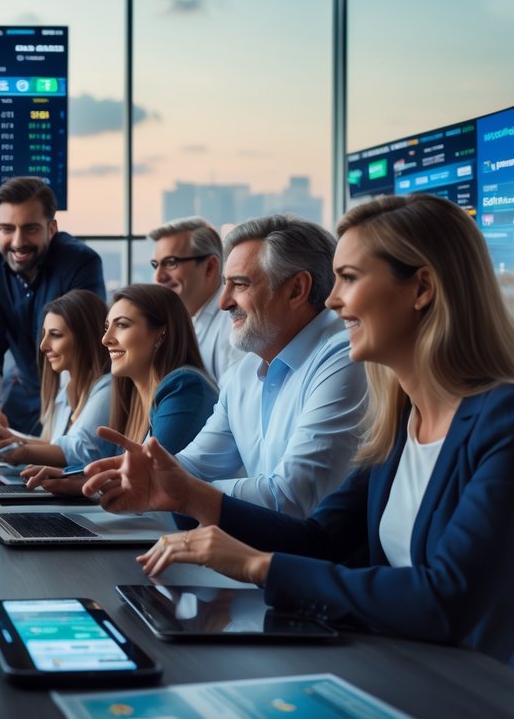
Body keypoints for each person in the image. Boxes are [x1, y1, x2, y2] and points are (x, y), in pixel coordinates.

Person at [84, 194, 514, 665]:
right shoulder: (401, 423)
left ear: (422, 289)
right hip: (400, 665)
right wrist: (189, 498)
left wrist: (258, 565)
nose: (332, 299)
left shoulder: (501, 422)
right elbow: (321, 540)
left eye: (348, 278)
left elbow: (446, 597)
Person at [126, 215, 368, 518]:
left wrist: (177, 490)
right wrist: (128, 474)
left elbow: (292, 498)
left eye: (239, 284)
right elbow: (193, 465)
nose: (223, 302)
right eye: (226, 285)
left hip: (315, 560)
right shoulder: (245, 371)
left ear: (296, 289)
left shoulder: (345, 357)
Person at [20, 284, 217, 494]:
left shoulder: (184, 386)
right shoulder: (134, 400)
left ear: (161, 333)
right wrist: (70, 475)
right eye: (106, 328)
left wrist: (78, 479)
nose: (106, 339)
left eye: (122, 325)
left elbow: (150, 472)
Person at [0, 175, 106, 441]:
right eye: (7, 229)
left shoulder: (80, 262)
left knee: (64, 462)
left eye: (30, 228)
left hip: (74, 392)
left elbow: (87, 350)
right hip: (24, 390)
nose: (18, 242)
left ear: (51, 228)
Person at [0, 290, 111, 468]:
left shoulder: (107, 389)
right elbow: (55, 446)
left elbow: (81, 451)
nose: (43, 346)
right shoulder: (67, 388)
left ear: (86, 338)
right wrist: (9, 439)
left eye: (56, 335)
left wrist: (19, 452)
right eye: (44, 335)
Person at [148, 217, 242, 385]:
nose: (158, 277)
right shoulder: (189, 320)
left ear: (210, 267)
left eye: (170, 263)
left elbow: (236, 406)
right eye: (156, 265)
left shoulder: (233, 324)